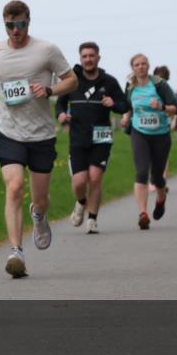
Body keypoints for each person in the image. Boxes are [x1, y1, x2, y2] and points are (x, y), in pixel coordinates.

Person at [0, 0, 77, 278]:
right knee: (14, 188)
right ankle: (16, 252)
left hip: (42, 135)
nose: (15, 30)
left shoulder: (46, 50)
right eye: (10, 25)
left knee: (41, 199)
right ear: (5, 25)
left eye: (20, 24)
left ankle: (39, 216)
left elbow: (72, 81)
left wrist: (50, 90)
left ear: (28, 22)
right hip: (9, 131)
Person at [55, 42, 129, 234]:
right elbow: (59, 104)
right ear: (80, 59)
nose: (88, 59)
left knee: (95, 178)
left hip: (101, 136)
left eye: (91, 56)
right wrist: (61, 115)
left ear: (98, 58)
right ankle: (81, 202)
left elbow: (124, 105)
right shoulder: (72, 81)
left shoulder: (109, 82)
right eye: (85, 56)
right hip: (78, 138)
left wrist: (114, 103)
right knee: (79, 182)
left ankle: (92, 219)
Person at [120, 54, 177, 229]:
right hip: (140, 133)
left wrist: (161, 107)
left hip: (161, 134)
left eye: (143, 64)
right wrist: (125, 117)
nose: (140, 67)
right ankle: (143, 214)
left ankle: (161, 200)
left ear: (148, 66)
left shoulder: (160, 84)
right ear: (133, 68)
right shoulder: (130, 87)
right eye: (137, 65)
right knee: (141, 172)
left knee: (157, 177)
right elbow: (129, 106)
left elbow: (175, 108)